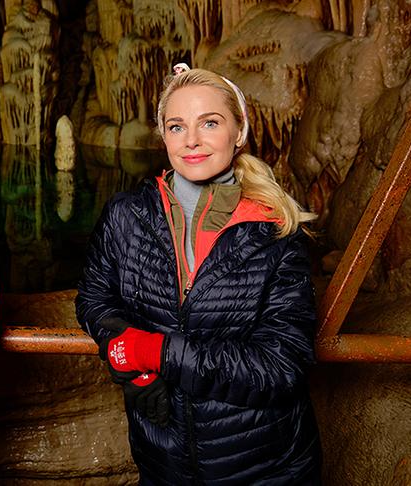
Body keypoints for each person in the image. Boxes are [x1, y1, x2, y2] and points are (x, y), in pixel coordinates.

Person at [76, 63, 322, 485]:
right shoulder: (126, 215)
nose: (191, 140)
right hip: (163, 461)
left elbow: (282, 364)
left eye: (210, 122)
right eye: (176, 126)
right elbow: (95, 298)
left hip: (264, 466)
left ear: (239, 131)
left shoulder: (276, 232)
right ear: (164, 135)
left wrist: (159, 354)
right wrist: (125, 350)